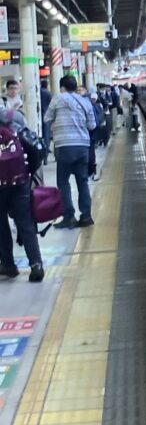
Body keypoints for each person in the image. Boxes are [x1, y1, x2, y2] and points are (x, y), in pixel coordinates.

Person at [45, 75, 96, 229]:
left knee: (63, 183)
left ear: (62, 87)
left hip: (65, 146)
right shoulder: (85, 101)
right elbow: (92, 125)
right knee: (83, 182)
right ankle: (86, 216)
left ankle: (69, 217)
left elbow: (47, 118)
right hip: (82, 147)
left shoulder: (57, 98)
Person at [0, 106, 44, 281]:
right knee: (26, 223)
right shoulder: (15, 118)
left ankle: (8, 265)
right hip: (20, 182)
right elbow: (34, 148)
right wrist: (28, 173)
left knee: (1, 225)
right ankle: (36, 265)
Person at [39, 79, 52, 164]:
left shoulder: (38, 91)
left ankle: (41, 155)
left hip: (38, 116)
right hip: (47, 116)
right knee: (47, 136)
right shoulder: (48, 93)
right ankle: (46, 157)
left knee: (40, 136)